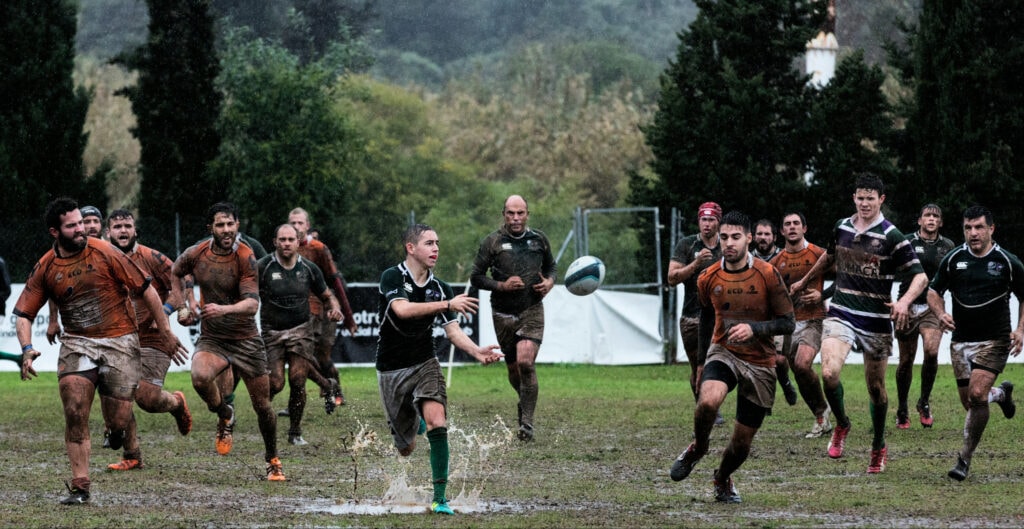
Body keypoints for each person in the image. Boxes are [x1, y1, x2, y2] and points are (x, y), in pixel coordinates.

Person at [13, 197, 176, 504]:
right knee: (74, 410)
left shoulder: (106, 252)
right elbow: (23, 314)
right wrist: (27, 348)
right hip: (77, 341)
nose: (81, 229)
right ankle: (80, 487)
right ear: (54, 232)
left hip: (120, 340)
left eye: (81, 223)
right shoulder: (46, 266)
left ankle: (116, 432)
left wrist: (166, 333)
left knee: (118, 421)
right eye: (72, 225)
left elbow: (148, 291)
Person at [790, 173, 927, 473]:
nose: (865, 203)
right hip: (842, 311)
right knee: (828, 372)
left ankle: (878, 445)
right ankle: (842, 424)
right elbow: (828, 258)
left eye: (871, 198)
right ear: (854, 198)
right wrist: (803, 280)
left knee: (876, 389)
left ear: (881, 200)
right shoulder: (841, 227)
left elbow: (920, 276)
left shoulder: (892, 236)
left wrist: (903, 302)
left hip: (876, 321)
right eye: (860, 197)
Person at [376, 223, 504, 515]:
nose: (436, 249)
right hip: (391, 369)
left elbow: (453, 332)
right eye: (429, 243)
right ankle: (414, 423)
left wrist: (476, 351)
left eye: (437, 243)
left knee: (438, 421)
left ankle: (440, 498)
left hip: (425, 363)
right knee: (405, 448)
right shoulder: (393, 276)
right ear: (411, 248)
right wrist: (446, 303)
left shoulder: (440, 287)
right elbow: (402, 310)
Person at [668, 211, 795, 503]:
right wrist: (701, 362)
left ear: (749, 239)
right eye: (724, 237)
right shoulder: (708, 276)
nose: (729, 243)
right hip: (723, 352)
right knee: (708, 401)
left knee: (740, 445)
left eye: (736, 237)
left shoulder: (767, 274)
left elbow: (788, 322)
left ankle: (722, 477)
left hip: (761, 362)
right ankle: (698, 447)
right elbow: (706, 316)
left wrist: (755, 329)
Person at [173, 201, 285, 481]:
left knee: (263, 406)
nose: (226, 230)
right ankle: (225, 413)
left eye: (230, 224)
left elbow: (251, 305)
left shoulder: (245, 256)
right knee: (199, 377)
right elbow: (175, 272)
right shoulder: (196, 252)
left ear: (237, 225)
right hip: (213, 338)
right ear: (210, 227)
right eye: (220, 225)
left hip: (246, 339)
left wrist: (223, 309)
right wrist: (183, 306)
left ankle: (273, 459)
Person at [926, 206, 1020, 481]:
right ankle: (1001, 395)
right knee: (972, 402)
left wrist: (1021, 329)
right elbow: (933, 290)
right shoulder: (954, 259)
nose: (973, 233)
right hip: (960, 340)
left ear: (991, 229)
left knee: (977, 394)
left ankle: (963, 460)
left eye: (979, 227)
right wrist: (940, 312)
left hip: (995, 339)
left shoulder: (1007, 261)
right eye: (968, 228)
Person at [104, 209, 193, 471]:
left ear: (135, 230)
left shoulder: (151, 257)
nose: (122, 230)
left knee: (147, 399)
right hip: (121, 335)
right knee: (119, 394)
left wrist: (164, 313)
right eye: (117, 226)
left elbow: (181, 281)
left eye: (127, 226)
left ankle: (176, 403)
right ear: (108, 232)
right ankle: (132, 455)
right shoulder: (103, 259)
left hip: (155, 335)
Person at [470, 195, 556, 442]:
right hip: (502, 313)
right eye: (511, 213)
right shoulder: (492, 242)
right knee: (513, 367)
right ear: (503, 214)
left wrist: (549, 282)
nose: (516, 218)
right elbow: (476, 277)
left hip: (532, 309)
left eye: (520, 213)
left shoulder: (539, 239)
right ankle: (524, 401)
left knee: (526, 362)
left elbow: (552, 268)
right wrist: (502, 285)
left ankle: (527, 422)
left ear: (527, 213)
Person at [258, 224, 343, 446]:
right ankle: (326, 384)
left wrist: (334, 308)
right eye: (282, 239)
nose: (286, 243)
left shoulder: (309, 268)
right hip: (272, 332)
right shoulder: (263, 267)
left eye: (290, 239)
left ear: (298, 242)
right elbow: (246, 293)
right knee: (275, 383)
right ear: (275, 242)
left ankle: (295, 432)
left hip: (301, 330)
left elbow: (327, 295)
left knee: (297, 379)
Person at [769, 212, 833, 438]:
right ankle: (820, 414)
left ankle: (824, 412)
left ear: (805, 228)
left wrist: (821, 294)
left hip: (814, 319)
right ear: (782, 232)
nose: (792, 227)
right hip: (788, 324)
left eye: (796, 223)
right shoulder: (775, 263)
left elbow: (845, 277)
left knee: (803, 364)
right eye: (787, 224)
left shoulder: (818, 254)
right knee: (799, 371)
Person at [894, 204, 956, 429]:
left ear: (940, 222)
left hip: (933, 308)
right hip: (908, 306)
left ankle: (924, 402)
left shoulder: (948, 246)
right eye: (927, 215)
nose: (931, 219)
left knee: (931, 351)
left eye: (935, 216)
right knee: (906, 360)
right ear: (919, 220)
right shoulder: (906, 242)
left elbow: (953, 277)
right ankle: (902, 407)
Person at [288, 207, 356, 411]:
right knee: (298, 355)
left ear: (307, 226)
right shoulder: (285, 248)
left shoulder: (318, 248)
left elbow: (335, 282)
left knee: (321, 357)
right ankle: (296, 403)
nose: (296, 226)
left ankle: (333, 387)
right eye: (293, 223)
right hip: (297, 311)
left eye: (300, 223)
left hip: (323, 311)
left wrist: (349, 317)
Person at [667, 202, 724, 424]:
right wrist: (696, 263)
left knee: (720, 364)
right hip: (692, 317)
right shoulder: (687, 245)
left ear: (719, 222)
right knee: (698, 365)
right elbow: (672, 278)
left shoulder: (727, 245)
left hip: (722, 316)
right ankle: (707, 408)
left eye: (711, 219)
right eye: (703, 219)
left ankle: (713, 402)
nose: (707, 224)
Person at [753, 218, 797, 408]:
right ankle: (764, 402)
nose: (763, 238)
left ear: (774, 237)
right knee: (759, 361)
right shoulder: (746, 258)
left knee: (778, 360)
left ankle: (785, 382)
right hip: (754, 317)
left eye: (767, 234)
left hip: (778, 316)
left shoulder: (783, 258)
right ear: (753, 237)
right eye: (759, 234)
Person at [46, 206, 105, 345]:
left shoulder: (112, 251)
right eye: (86, 221)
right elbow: (53, 287)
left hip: (111, 323)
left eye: (96, 221)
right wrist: (53, 320)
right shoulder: (64, 253)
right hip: (78, 325)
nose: (92, 226)